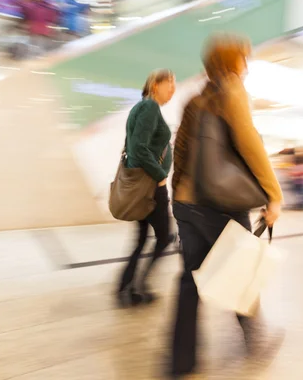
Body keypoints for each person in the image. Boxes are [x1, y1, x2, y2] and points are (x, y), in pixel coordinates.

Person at [170, 34, 283, 376]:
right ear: (231, 62)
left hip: (187, 202)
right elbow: (249, 144)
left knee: (190, 281)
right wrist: (273, 194)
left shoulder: (194, 100)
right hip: (220, 203)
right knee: (242, 270)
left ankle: (180, 362)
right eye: (243, 59)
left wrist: (179, 197)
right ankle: (255, 341)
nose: (245, 66)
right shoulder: (231, 90)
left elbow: (181, 151)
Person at [116, 69, 176, 307]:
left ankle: (125, 287)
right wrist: (161, 177)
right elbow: (140, 148)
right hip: (150, 186)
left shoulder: (139, 108)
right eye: (169, 83)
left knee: (141, 239)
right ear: (155, 85)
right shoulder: (150, 108)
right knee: (164, 237)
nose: (173, 88)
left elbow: (133, 146)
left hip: (141, 185)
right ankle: (138, 286)